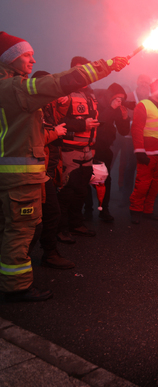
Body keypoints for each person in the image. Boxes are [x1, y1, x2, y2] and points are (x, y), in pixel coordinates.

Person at [0, 31, 128, 302]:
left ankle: (23, 272)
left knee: (25, 225)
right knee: (21, 230)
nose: (33, 60)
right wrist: (105, 65)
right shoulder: (13, 88)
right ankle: (14, 287)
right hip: (19, 176)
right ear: (9, 59)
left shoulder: (9, 88)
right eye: (26, 54)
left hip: (25, 174)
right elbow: (58, 83)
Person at [27, 72, 75, 270]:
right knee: (34, 221)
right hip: (33, 171)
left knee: (49, 215)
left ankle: (48, 253)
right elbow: (32, 140)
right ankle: (21, 259)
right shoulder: (30, 106)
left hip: (48, 167)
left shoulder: (46, 104)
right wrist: (55, 133)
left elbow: (59, 118)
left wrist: (63, 101)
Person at [55, 56, 102, 243]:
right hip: (69, 150)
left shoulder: (91, 95)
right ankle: (61, 228)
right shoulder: (64, 93)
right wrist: (83, 125)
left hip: (87, 150)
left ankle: (76, 224)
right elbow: (58, 121)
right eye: (78, 70)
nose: (82, 74)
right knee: (66, 192)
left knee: (82, 191)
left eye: (85, 69)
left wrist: (93, 145)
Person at [85, 83, 130, 222]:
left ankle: (104, 209)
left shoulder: (116, 107)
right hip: (90, 146)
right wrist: (112, 107)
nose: (119, 101)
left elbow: (123, 131)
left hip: (105, 147)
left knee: (105, 179)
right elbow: (100, 121)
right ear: (111, 97)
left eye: (122, 99)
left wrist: (124, 118)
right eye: (117, 98)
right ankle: (88, 209)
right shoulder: (97, 102)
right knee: (86, 178)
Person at [129, 79, 158, 224]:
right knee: (143, 183)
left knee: (155, 184)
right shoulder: (143, 105)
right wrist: (139, 151)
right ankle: (135, 210)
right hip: (147, 152)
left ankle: (148, 210)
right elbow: (137, 129)